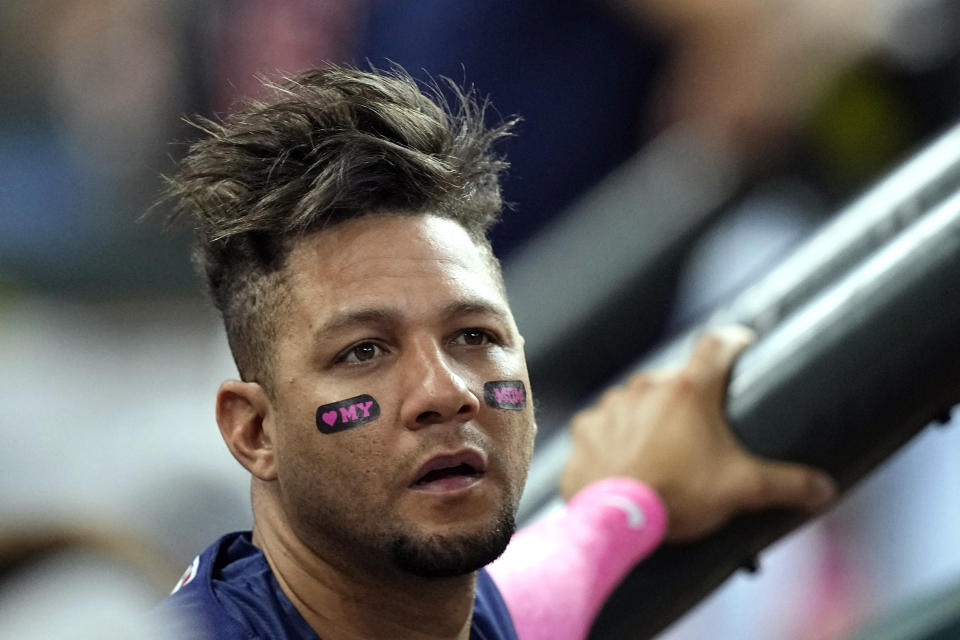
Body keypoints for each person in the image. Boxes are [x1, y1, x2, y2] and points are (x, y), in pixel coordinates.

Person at [154, 64, 836, 640]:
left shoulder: (471, 612)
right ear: (254, 430)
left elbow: (555, 573)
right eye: (364, 351)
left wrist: (632, 501)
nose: (447, 391)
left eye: (474, 337)